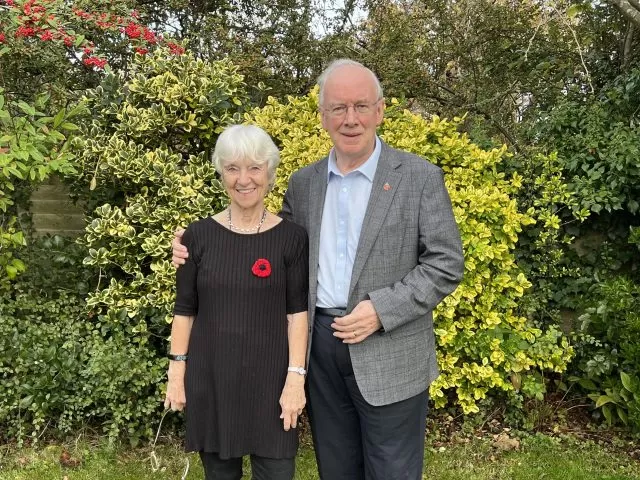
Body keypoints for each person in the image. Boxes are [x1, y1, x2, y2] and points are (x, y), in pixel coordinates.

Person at [172, 59, 464, 480]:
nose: (350, 119)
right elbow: (267, 242)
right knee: (336, 468)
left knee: (392, 470)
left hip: (391, 348)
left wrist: (382, 310)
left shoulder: (417, 177)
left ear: (380, 111)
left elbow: (446, 262)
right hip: (320, 350)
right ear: (323, 116)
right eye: (338, 108)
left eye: (361, 106)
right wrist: (191, 245)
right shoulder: (305, 184)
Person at [164, 124, 309, 480]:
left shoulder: (292, 238)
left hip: (273, 382)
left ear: (270, 174)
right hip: (213, 378)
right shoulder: (195, 237)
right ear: (221, 174)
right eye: (232, 168)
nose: (244, 179)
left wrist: (296, 379)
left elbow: (297, 314)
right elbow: (185, 310)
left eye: (254, 167)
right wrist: (176, 373)